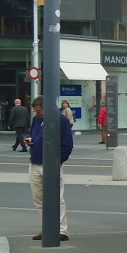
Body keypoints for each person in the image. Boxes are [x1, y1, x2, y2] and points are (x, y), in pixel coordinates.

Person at [27, 95, 74, 241]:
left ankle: (61, 230)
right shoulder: (37, 120)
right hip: (35, 162)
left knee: (56, 198)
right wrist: (31, 140)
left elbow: (67, 145)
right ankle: (46, 227)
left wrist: (58, 161)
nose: (37, 113)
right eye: (35, 111)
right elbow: (34, 134)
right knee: (39, 199)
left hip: (51, 164)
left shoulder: (61, 120)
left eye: (39, 110)